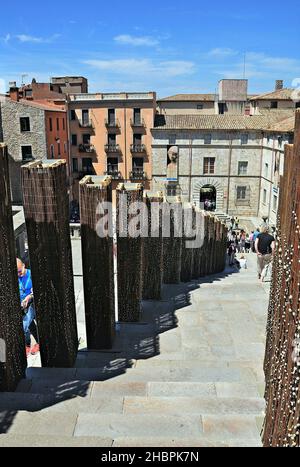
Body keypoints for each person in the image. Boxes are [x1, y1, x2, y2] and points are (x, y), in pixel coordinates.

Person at [17, 259, 39, 357]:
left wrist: (28, 297)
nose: (19, 274)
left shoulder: (32, 275)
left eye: (20, 271)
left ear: (24, 266)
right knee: (30, 326)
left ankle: (27, 345)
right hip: (22, 305)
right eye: (16, 272)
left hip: (31, 303)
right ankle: (34, 343)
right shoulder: (16, 276)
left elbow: (36, 290)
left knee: (24, 326)